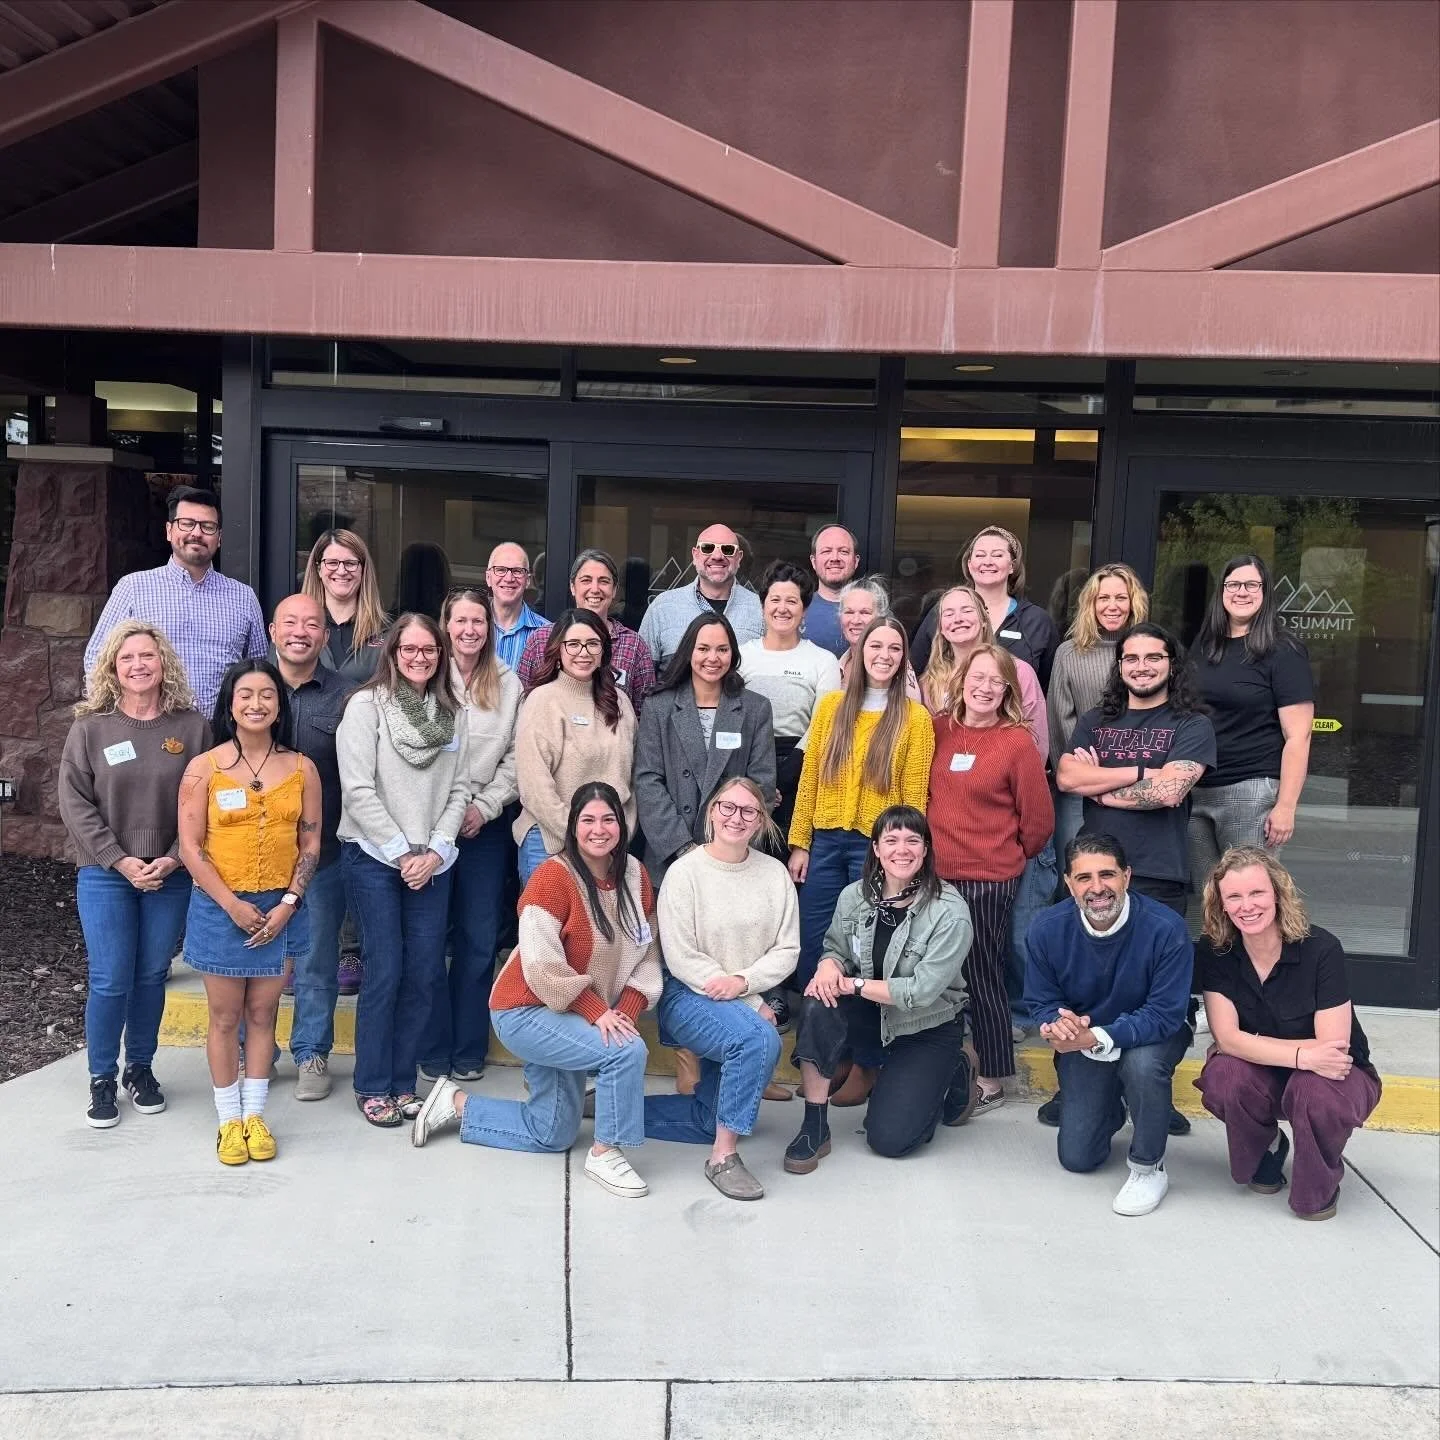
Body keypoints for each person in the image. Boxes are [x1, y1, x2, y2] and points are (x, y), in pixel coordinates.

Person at [411, 784, 661, 1201]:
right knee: (626, 1051)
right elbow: (542, 967)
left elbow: (648, 954)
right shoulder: (552, 877)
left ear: (622, 823)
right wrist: (598, 1011)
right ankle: (605, 1152)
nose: (599, 830)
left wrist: (628, 1008)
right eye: (588, 820)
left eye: (608, 819)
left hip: (577, 1013)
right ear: (573, 827)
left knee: (552, 1132)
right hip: (526, 1010)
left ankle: (454, 1104)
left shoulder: (635, 875)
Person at [1052, 622, 1215, 1132]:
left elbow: (1172, 793)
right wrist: (1143, 773)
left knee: (1154, 989)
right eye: (1131, 659)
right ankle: (1075, 1085)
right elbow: (1068, 777)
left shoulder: (1192, 723)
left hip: (1159, 870)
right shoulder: (1098, 719)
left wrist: (1104, 787)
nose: (1142, 666)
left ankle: (1152, 1095)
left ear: (1171, 663)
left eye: (1153, 657)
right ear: (1119, 666)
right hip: (1095, 873)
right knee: (1086, 982)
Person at [58, 621, 209, 1129]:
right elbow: (73, 802)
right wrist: (118, 859)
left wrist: (173, 857)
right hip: (105, 873)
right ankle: (102, 1076)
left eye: (148, 656)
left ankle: (140, 1070)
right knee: (109, 978)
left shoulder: (191, 727)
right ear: (112, 668)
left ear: (163, 662)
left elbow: (202, 802)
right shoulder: (90, 727)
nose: (139, 665)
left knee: (149, 975)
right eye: (127, 659)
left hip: (171, 872)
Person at [177, 660, 322, 1165]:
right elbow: (191, 847)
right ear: (230, 703)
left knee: (264, 1013)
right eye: (245, 695)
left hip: (279, 908)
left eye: (266, 695)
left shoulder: (303, 768)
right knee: (223, 1017)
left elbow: (310, 841)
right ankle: (227, 1121)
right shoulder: (205, 768)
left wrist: (288, 903)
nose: (256, 704)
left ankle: (255, 1114)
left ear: (280, 706)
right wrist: (233, 905)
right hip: (222, 906)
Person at [785, 806, 978, 1172]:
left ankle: (952, 1068)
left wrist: (852, 983)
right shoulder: (854, 896)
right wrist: (828, 965)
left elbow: (919, 992)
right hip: (873, 1015)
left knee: (890, 1140)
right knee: (816, 999)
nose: (901, 849)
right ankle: (814, 1126)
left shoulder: (949, 912)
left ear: (925, 850)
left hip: (924, 1025)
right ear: (875, 848)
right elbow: (837, 949)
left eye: (912, 840)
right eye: (890, 840)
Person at [1194, 848, 1380, 1222]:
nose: (1247, 906)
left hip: (1335, 1076)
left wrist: (1257, 1044)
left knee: (1311, 1090)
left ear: (1277, 893)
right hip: (1267, 1073)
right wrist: (1302, 1055)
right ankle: (1267, 1148)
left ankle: (1318, 1185)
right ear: (1222, 905)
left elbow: (1332, 1047)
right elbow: (1227, 1040)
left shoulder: (1321, 949)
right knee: (1224, 1076)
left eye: (1257, 893)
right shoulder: (1216, 952)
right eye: (1234, 896)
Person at [337, 614, 471, 1128]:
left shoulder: (451, 714)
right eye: (409, 649)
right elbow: (357, 788)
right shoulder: (366, 708)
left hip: (431, 860)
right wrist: (402, 853)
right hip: (374, 857)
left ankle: (401, 1083)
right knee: (385, 970)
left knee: (422, 974)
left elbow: (459, 789)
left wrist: (435, 851)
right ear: (392, 654)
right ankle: (372, 1084)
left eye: (429, 650)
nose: (420, 657)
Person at [642, 778, 797, 1200]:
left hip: (741, 995)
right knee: (758, 1039)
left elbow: (788, 949)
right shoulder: (685, 872)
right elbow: (681, 955)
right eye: (727, 807)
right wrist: (750, 1000)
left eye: (749, 811)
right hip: (688, 996)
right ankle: (722, 1157)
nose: (736, 818)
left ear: (761, 821)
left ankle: (612, 1106)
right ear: (711, 812)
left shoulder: (774, 874)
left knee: (707, 1118)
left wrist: (746, 986)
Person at [1023, 833, 1192, 1216]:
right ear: (1068, 883)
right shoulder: (1046, 929)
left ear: (1127, 876)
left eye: (1107, 875)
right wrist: (1057, 1025)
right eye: (1084, 878)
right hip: (1088, 1038)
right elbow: (1041, 1000)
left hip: (1153, 1034)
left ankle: (1149, 1167)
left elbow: (1165, 1014)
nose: (1097, 888)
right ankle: (1116, 1104)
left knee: (1142, 1066)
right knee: (1078, 1158)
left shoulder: (1166, 928)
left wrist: (1095, 1036)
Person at [789, 617, 935, 1015]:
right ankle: (816, 1024)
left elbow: (914, 799)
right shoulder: (832, 706)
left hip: (876, 849)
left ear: (904, 657)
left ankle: (857, 1028)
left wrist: (904, 857)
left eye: (893, 648)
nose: (883, 655)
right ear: (859, 652)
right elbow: (810, 779)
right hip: (825, 841)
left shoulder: (915, 718)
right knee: (815, 932)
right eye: (875, 646)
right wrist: (800, 842)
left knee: (867, 937)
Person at [929, 645, 1053, 1111]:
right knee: (938, 976)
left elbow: (1038, 822)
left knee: (982, 973)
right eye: (976, 678)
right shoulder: (939, 729)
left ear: (1008, 691)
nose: (984, 688)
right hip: (935, 877)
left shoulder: (1017, 741)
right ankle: (941, 1064)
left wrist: (1004, 856)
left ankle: (995, 1076)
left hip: (988, 878)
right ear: (960, 681)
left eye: (995, 681)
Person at [418, 585, 521, 1086]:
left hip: (482, 828)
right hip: (427, 828)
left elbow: (515, 760)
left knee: (479, 941)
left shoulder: (508, 683)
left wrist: (483, 806)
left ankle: (468, 1045)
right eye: (460, 621)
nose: (469, 630)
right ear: (446, 624)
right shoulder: (424, 677)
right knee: (432, 939)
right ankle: (433, 1046)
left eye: (478, 622)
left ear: (490, 627)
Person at [268, 594, 353, 1101]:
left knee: (318, 957)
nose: (301, 632)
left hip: (325, 853)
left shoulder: (347, 697)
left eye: (312, 624)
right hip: (256, 854)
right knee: (256, 956)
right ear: (274, 630)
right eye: (290, 622)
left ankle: (311, 1054)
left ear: (324, 636)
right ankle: (249, 1049)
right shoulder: (249, 686)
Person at [84, 486, 267, 720]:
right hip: (152, 733)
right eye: (186, 523)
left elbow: (257, 669)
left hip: (220, 736)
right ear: (169, 531)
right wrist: (119, 721)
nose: (197, 533)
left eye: (207, 526)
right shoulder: (133, 588)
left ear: (219, 538)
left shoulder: (243, 597)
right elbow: (96, 660)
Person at [1189, 555, 1315, 874]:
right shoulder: (1205, 646)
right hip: (1197, 787)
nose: (1241, 592)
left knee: (1248, 893)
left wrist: (1286, 806)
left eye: (1251, 585)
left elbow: (1299, 735)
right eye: (1233, 584)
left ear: (1265, 592)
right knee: (1207, 898)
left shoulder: (1283, 650)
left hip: (1251, 791)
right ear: (1221, 592)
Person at [635, 612, 776, 878]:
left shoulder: (755, 709)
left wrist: (729, 845)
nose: (713, 658)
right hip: (672, 858)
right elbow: (647, 781)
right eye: (703, 648)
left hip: (733, 855)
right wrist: (683, 848)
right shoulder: (659, 706)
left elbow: (762, 784)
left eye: (722, 649)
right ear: (689, 652)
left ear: (732, 655)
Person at [514, 608, 638, 885]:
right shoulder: (542, 700)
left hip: (608, 846)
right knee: (548, 929)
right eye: (573, 644)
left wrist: (621, 831)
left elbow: (632, 777)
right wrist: (578, 836)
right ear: (558, 650)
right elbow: (534, 785)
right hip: (550, 843)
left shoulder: (620, 703)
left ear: (603, 651)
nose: (583, 652)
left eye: (592, 643)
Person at [1047, 564, 1150, 860]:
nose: (1112, 606)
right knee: (1076, 864)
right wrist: (1080, 773)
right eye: (1103, 598)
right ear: (1090, 604)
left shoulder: (1151, 650)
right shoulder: (1069, 653)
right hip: (1081, 785)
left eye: (1121, 597)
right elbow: (1058, 721)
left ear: (1134, 602)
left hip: (1137, 781)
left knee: (1129, 865)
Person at [739, 559, 843, 847]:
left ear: (804, 609)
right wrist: (759, 780)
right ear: (762, 606)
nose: (782, 608)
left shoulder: (823, 661)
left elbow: (824, 724)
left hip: (800, 769)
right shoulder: (741, 657)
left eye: (792, 601)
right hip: (745, 765)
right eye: (774, 600)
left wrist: (782, 779)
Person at [911, 525, 1060, 687]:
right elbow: (914, 671)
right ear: (969, 564)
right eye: (980, 555)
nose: (987, 562)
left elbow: (1049, 688)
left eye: (997, 555)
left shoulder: (1037, 621)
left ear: (1012, 565)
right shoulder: (942, 612)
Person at [517, 547, 657, 712]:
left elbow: (646, 715)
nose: (595, 588)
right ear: (572, 587)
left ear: (614, 590)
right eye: (586, 580)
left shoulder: (634, 646)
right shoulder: (541, 640)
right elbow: (523, 704)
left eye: (604, 581)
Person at [920, 584, 1047, 756]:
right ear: (941, 628)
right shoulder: (929, 683)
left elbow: (1036, 743)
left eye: (967, 610)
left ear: (984, 621)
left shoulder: (1018, 672)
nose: (958, 619)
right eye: (949, 614)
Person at [638, 523, 764, 669]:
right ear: (695, 554)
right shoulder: (662, 607)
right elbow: (643, 676)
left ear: (739, 558)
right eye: (707, 548)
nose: (717, 556)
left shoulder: (761, 610)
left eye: (728, 549)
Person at [300, 527, 388, 684]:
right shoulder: (294, 629)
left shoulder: (387, 631)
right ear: (319, 568)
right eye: (332, 563)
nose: (341, 571)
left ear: (363, 570)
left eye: (350, 563)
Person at [834, 576, 922, 701]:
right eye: (849, 612)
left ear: (881, 617)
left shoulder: (893, 664)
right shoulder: (835, 667)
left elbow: (912, 713)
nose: (856, 620)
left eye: (865, 612)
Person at [486, 542, 548, 672]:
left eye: (517, 571)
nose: (509, 578)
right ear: (488, 577)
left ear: (528, 580)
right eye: (501, 570)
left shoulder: (546, 634)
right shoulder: (470, 628)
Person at [804, 523, 862, 656]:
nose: (835, 558)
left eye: (843, 551)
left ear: (856, 561)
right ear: (813, 561)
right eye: (826, 551)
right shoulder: (797, 609)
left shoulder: (875, 612)